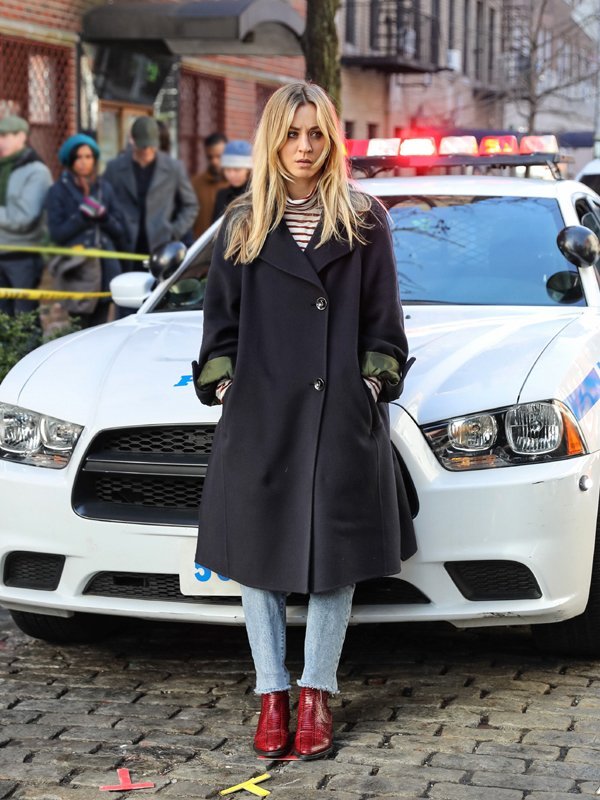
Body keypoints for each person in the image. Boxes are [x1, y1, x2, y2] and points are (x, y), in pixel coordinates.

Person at [192, 82, 416, 760]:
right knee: (257, 561)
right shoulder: (242, 222)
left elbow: (386, 326)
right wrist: (228, 384)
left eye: (316, 133)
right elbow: (219, 328)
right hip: (262, 414)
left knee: (335, 559)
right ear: (272, 139)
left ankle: (316, 693)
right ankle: (271, 694)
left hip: (337, 411)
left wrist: (370, 386)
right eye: (292, 133)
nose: (304, 147)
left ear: (331, 140)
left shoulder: (364, 219)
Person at [45, 133, 127, 327]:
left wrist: (104, 217)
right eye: (79, 157)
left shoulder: (104, 188)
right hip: (77, 270)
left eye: (88, 157)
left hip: (106, 266)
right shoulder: (58, 191)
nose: (84, 162)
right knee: (78, 327)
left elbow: (119, 230)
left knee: (101, 325)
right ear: (70, 160)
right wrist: (81, 217)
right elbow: (57, 234)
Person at [103, 116, 198, 263]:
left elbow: (191, 205)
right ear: (132, 140)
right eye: (143, 145)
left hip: (161, 246)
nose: (147, 150)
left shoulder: (174, 168)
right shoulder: (114, 168)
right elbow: (104, 202)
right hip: (123, 247)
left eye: (151, 145)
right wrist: (116, 229)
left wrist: (173, 232)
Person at [0, 114, 52, 316]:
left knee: (24, 317)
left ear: (22, 137)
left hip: (22, 256)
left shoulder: (36, 171)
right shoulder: (4, 167)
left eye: (6, 136)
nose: (1, 141)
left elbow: (24, 218)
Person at [191, 132, 228, 238]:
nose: (214, 161)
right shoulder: (196, 184)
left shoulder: (238, 185)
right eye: (210, 157)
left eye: (218, 156)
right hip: (201, 247)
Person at [211, 139, 252, 222]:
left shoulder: (257, 195)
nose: (231, 175)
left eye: (237, 170)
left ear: (248, 170)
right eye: (227, 170)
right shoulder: (222, 195)